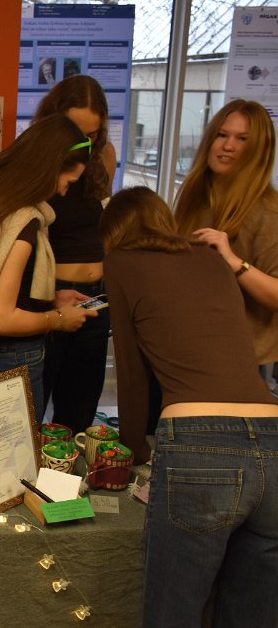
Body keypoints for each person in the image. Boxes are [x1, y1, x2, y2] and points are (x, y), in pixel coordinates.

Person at [100, 186, 278, 627]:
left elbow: (131, 371)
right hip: (273, 434)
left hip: (200, 442)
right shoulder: (212, 259)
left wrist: (131, 450)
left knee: (173, 613)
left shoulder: (121, 262)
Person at [0, 114, 97, 419]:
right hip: (11, 359)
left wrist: (49, 299)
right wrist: (58, 319)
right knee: (17, 450)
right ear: (49, 168)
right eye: (67, 182)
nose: (63, 192)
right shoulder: (23, 223)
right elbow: (0, 319)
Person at [34, 75, 117, 433]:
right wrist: (44, 296)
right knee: (32, 407)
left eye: (92, 134)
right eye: (74, 132)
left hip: (96, 297)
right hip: (51, 293)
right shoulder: (38, 157)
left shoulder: (105, 155)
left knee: (80, 411)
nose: (84, 142)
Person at [174, 99, 278, 374]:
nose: (228, 146)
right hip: (192, 347)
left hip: (242, 360)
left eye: (242, 139)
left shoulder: (269, 211)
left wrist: (235, 263)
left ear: (259, 149)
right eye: (222, 135)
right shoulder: (194, 199)